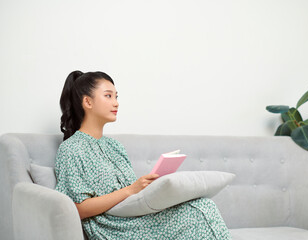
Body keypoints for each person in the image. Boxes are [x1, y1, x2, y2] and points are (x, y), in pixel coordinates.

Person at [55, 70, 231, 239]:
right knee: (199, 211)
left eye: (116, 97)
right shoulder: (71, 149)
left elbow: (132, 194)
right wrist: (132, 189)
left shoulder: (114, 146)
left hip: (136, 216)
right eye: (108, 96)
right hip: (116, 228)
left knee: (202, 205)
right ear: (88, 102)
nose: (116, 103)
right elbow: (78, 208)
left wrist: (148, 187)